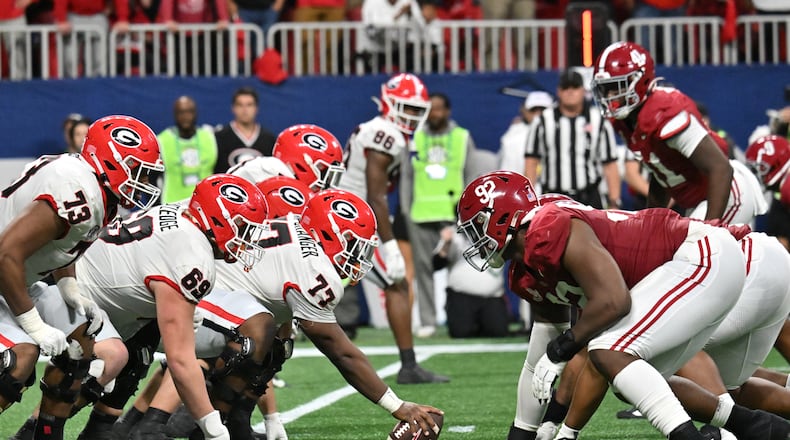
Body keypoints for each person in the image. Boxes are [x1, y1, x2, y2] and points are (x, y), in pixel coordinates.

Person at [457, 171, 790, 440]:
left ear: (501, 217)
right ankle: (757, 427)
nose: (474, 242)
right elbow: (536, 364)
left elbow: (615, 302)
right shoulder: (529, 269)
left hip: (708, 255)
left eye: (476, 229)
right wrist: (525, 433)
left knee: (608, 350)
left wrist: (562, 353)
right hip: (711, 263)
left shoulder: (548, 228)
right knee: (636, 375)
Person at [107, 188, 445, 440]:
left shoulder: (295, 234)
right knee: (257, 333)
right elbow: (341, 351)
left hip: (197, 295)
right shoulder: (315, 270)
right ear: (328, 234)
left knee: (274, 342)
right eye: (353, 245)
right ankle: (191, 420)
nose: (358, 258)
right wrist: (396, 405)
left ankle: (225, 419)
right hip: (186, 300)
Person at [46, 174, 268, 440]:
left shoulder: (187, 214)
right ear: (218, 220)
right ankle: (40, 431)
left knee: (130, 354)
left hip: (94, 291)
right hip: (72, 294)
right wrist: (213, 428)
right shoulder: (191, 256)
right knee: (75, 376)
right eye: (242, 227)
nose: (246, 239)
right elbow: (181, 360)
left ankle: (75, 431)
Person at [0, 115, 163, 439]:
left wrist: (67, 285)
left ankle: (46, 434)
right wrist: (35, 326)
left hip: (19, 278)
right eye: (136, 169)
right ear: (110, 161)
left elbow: (58, 244)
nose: (141, 180)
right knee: (20, 358)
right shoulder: (77, 191)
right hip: (7, 272)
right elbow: (5, 254)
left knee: (81, 343)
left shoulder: (90, 184)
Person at [337, 72, 449, 384]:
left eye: (416, 110)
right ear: (389, 103)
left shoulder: (385, 131)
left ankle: (409, 365)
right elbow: (376, 194)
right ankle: (409, 366)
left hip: (346, 214)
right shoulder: (385, 132)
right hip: (347, 220)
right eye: (406, 108)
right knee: (397, 282)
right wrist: (388, 245)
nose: (411, 116)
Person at [591, 41, 767, 224]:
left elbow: (720, 168)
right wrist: (650, 222)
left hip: (727, 192)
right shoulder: (625, 121)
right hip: (701, 198)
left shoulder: (665, 113)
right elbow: (661, 173)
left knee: (695, 250)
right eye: (605, 89)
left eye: (616, 87)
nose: (609, 96)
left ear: (640, 80)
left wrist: (711, 230)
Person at [399, 91, 478, 337]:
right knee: (423, 269)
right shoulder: (415, 138)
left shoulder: (461, 137)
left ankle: (464, 316)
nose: (435, 114)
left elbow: (471, 174)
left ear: (448, 111)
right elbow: (406, 177)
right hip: (421, 214)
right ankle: (428, 320)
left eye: (439, 109)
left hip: (454, 215)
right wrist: (405, 210)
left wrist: (469, 212)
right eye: (430, 109)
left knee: (465, 266)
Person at [525, 69, 621, 208]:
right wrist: (530, 201)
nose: (570, 91)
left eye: (575, 87)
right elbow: (531, 162)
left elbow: (610, 165)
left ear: (583, 90)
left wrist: (614, 202)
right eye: (565, 87)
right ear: (558, 91)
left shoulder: (598, 121)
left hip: (589, 197)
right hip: (553, 198)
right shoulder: (542, 121)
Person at [433, 225, 508, 338]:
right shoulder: (453, 233)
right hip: (462, 296)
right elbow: (436, 264)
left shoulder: (500, 231)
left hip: (493, 297)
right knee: (461, 332)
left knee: (498, 332)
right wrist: (446, 243)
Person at [157, 96, 218, 204]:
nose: (185, 117)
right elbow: (152, 179)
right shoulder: (162, 140)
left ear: (195, 113)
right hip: (171, 206)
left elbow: (220, 173)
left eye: (189, 112)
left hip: (206, 205)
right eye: (181, 112)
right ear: (175, 115)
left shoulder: (210, 138)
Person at [214, 87, 277, 174]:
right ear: (233, 108)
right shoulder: (220, 138)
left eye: (249, 105)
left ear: (256, 108)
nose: (245, 110)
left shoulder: (269, 139)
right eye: (240, 105)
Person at [498, 91, 553, 174]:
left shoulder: (562, 132)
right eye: (533, 110)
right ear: (524, 110)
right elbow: (508, 174)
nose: (538, 113)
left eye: (543, 109)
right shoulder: (512, 139)